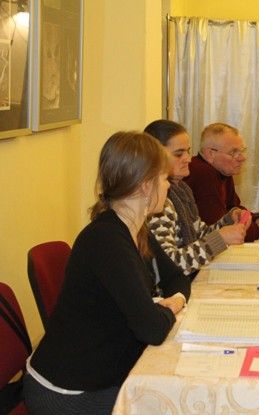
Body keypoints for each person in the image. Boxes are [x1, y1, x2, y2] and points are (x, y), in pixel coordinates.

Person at [24, 132, 191, 414]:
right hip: (68, 392)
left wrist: (173, 300)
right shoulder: (106, 240)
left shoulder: (135, 229)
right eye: (164, 179)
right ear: (145, 186)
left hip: (100, 372)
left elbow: (177, 278)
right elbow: (151, 329)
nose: (168, 185)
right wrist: (171, 305)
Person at [145, 120, 246, 278]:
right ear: (154, 157)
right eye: (179, 154)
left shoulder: (182, 191)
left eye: (188, 151)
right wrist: (221, 238)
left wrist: (228, 220)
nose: (188, 158)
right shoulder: (159, 203)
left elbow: (200, 232)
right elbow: (169, 265)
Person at [184, 122, 259, 242]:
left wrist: (258, 219)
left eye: (242, 151)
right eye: (233, 152)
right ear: (210, 154)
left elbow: (233, 209)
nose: (242, 158)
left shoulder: (222, 171)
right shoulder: (202, 172)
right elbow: (218, 229)